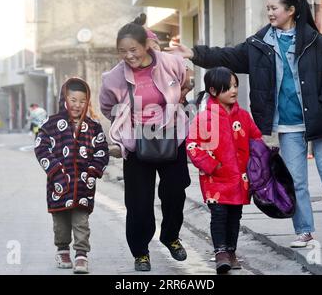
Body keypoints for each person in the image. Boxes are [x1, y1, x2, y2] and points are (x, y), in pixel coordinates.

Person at [167, 0, 322, 247]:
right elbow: (229, 55)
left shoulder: (316, 42)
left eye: (274, 8)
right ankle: (304, 230)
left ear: (290, 11)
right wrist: (195, 54)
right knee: (295, 180)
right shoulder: (259, 44)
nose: (269, 12)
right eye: (267, 8)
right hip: (288, 123)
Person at [99, 16, 191, 272]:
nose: (128, 56)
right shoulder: (113, 78)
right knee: (138, 202)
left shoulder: (170, 63)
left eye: (133, 50)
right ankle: (140, 252)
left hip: (171, 133)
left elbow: (184, 80)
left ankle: (170, 236)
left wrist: (176, 103)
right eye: (122, 51)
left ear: (146, 46)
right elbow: (108, 106)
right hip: (137, 140)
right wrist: (126, 124)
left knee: (176, 190)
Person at [186, 67, 262, 274]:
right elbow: (193, 145)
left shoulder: (244, 117)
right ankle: (220, 253)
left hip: (240, 179)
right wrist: (213, 165)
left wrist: (261, 161)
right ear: (212, 90)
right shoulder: (204, 119)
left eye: (235, 85)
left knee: (235, 216)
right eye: (227, 87)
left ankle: (231, 251)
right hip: (215, 180)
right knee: (219, 215)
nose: (233, 90)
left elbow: (256, 139)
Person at [34, 77, 109, 274]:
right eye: (73, 100)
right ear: (64, 99)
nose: (77, 105)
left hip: (84, 185)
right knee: (60, 222)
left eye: (82, 101)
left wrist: (93, 171)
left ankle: (82, 255)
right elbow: (41, 148)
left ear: (87, 102)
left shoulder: (93, 127)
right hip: (58, 185)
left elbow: (101, 151)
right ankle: (62, 250)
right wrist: (55, 170)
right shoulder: (51, 124)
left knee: (81, 221)